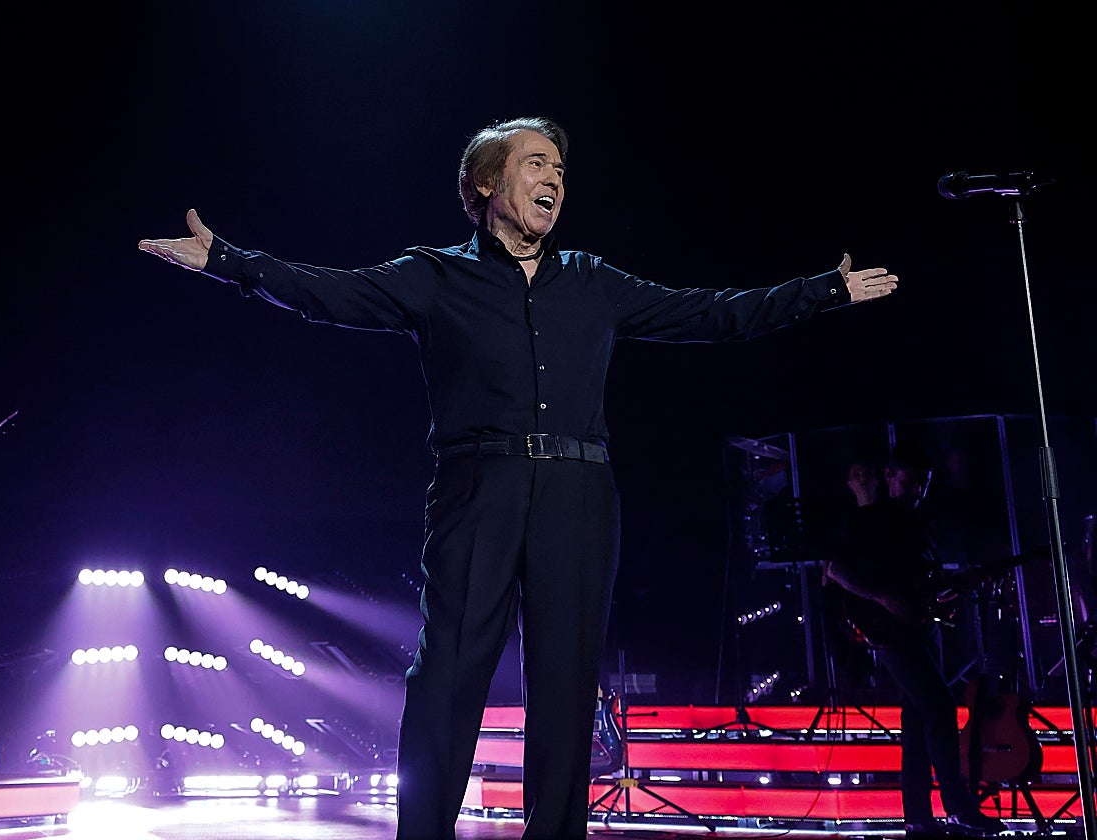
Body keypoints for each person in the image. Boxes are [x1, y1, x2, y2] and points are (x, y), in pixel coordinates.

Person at [139, 116, 898, 840]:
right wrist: (228, 262)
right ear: (486, 185)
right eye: (537, 164)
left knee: (567, 680)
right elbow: (330, 292)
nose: (555, 179)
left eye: (561, 170)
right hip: (479, 487)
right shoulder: (434, 276)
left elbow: (709, 314)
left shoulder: (592, 281)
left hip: (579, 493)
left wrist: (821, 291)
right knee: (450, 669)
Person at [825, 443, 1008, 837]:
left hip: (921, 629)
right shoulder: (870, 520)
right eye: (909, 483)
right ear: (890, 478)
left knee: (916, 721)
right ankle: (958, 808)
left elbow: (920, 586)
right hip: (891, 634)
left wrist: (957, 587)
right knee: (939, 706)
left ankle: (918, 818)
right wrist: (882, 597)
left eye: (923, 485)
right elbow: (836, 570)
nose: (917, 492)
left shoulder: (920, 525)